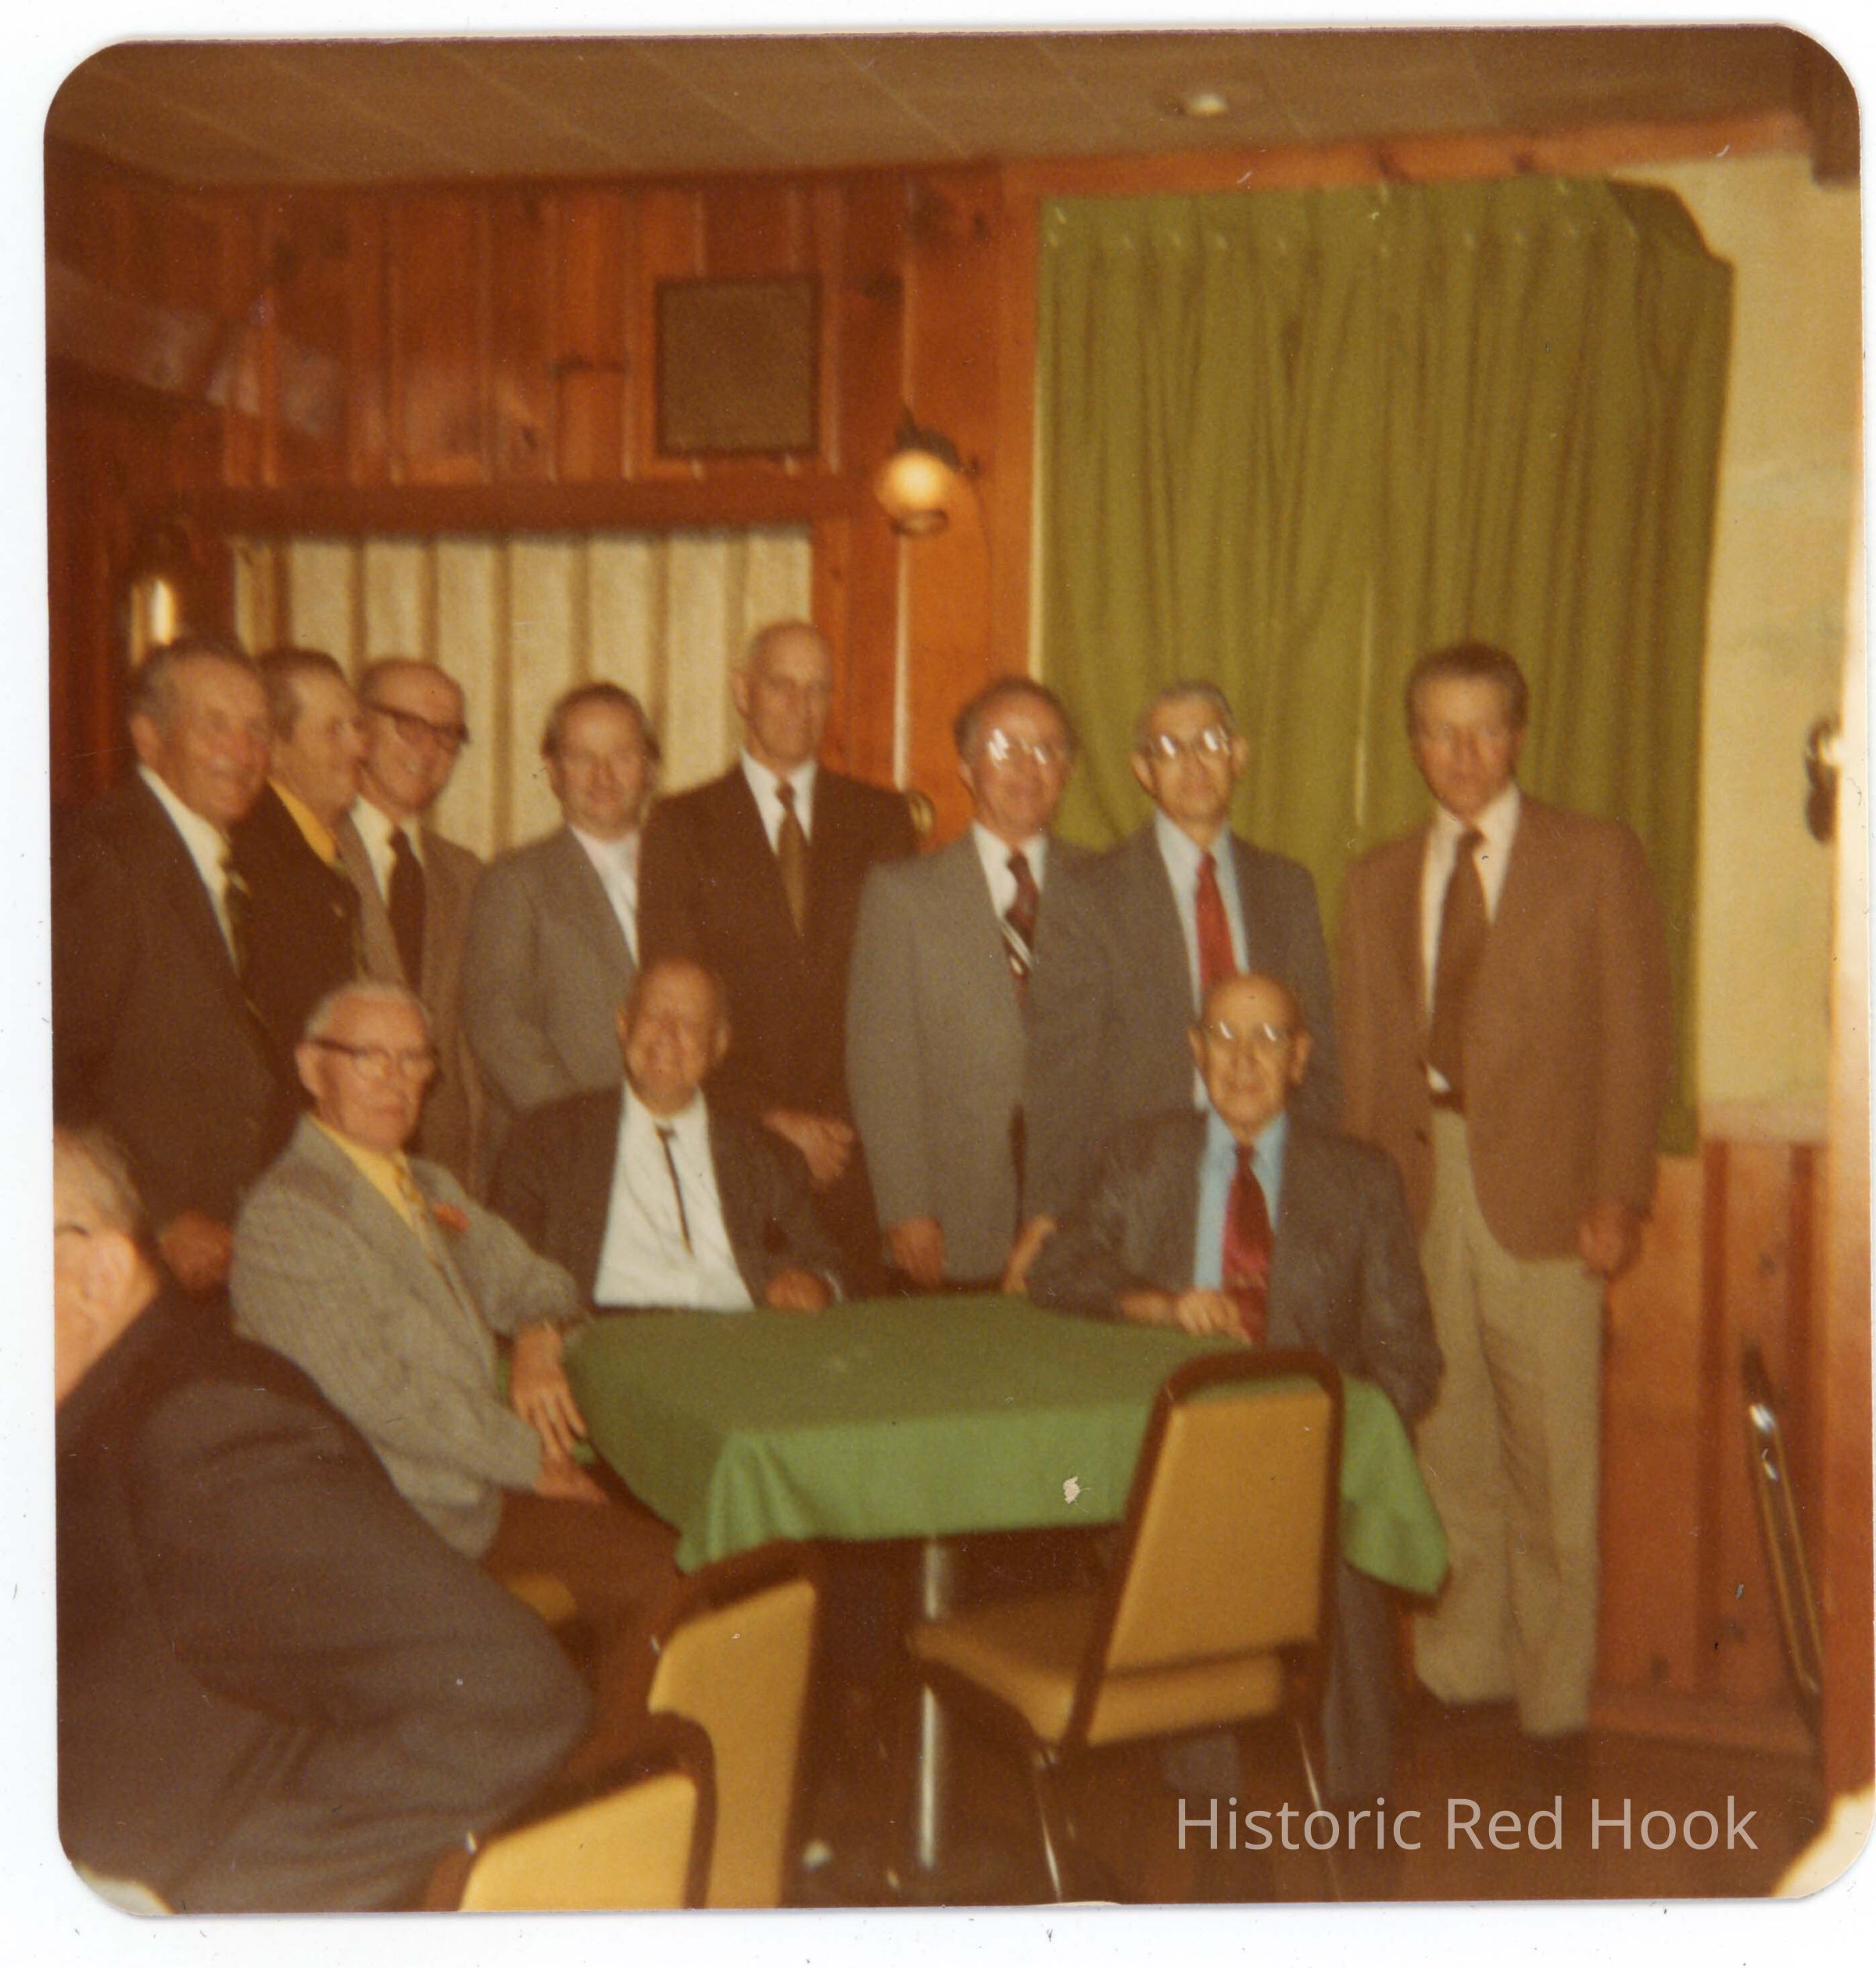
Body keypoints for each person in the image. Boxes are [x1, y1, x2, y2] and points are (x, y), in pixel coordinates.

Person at [55, 1124, 589, 1913]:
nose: (395, 1081)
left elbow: (509, 1699)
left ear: (98, 1275)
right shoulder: (116, 1402)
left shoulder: (196, 1436)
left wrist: (206, 1910)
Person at [1336, 641, 1672, 1755]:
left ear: (1518, 734)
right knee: (1447, 1443)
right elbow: (1366, 1060)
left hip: (1549, 1194)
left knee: (1553, 1461)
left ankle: (1555, 1698)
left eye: (1484, 728)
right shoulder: (1378, 879)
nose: (1464, 753)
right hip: (1420, 1189)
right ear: (1414, 743)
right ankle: (1461, 1668)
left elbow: (1636, 1037)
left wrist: (1619, 1192)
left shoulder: (1594, 856)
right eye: (1440, 730)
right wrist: (1367, 1221)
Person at [229, 980, 684, 1768]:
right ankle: (600, 1796)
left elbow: (543, 1283)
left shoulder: (429, 1188)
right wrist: (530, 1461)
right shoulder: (289, 1217)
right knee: (650, 1584)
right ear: (310, 1068)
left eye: (414, 1060)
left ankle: (619, 1786)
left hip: (468, 1489)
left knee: (675, 1565)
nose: (397, 1081)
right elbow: (382, 1398)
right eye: (369, 1058)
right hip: (386, 1518)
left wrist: (538, 1338)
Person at [1028, 971, 1441, 1799]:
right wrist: (1158, 1304)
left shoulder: (1361, 1180)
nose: (1243, 1059)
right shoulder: (1141, 1158)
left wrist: (1321, 1445)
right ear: (1195, 1050)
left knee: (1348, 1552)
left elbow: (1409, 1359)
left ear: (1300, 1059)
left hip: (1306, 1463)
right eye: (1223, 1036)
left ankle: (1359, 1809)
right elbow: (1055, 1271)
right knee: (1178, 1543)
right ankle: (1210, 1814)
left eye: (1267, 1038)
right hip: (1169, 1465)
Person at [1015, 681, 1338, 1283]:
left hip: (1268, 1187)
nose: (1192, 763)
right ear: (1143, 771)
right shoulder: (1089, 895)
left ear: (1238, 756)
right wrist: (1048, 1212)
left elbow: (1316, 1057)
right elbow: (1060, 1077)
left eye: (1210, 743)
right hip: (1139, 1194)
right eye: (1168, 748)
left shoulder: (1287, 889)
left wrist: (1316, 1194)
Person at [638, 619, 916, 1281]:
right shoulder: (681, 824)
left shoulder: (882, 820)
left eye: (818, 688)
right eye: (781, 685)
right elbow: (679, 1002)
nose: (801, 705)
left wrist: (842, 1130)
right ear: (743, 691)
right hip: (735, 1145)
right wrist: (768, 1121)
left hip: (858, 1156)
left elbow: (898, 1001)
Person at [52, 635, 294, 1296]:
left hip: (235, 1238)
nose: (243, 751)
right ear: (149, 737)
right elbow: (55, 1068)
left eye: (257, 730)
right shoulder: (103, 858)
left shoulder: (232, 861)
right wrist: (155, 1213)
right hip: (145, 1246)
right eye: (215, 725)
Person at [847, 677, 1090, 1288]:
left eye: (1048, 750)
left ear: (1067, 771)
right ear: (966, 766)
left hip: (1076, 1212)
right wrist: (904, 1207)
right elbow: (881, 1065)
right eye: (1006, 748)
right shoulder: (903, 895)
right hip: (951, 1215)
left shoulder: (1103, 887)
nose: (1028, 767)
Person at [492, 957, 843, 1311]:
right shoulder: (547, 1141)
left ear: (719, 1044)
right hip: (611, 1333)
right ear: (623, 1023)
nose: (668, 1034)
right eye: (653, 1014)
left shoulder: (764, 1154)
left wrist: (818, 1285)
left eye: (690, 1022)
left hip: (737, 1330)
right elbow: (505, 1267)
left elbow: (825, 1262)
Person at [463, 682, 656, 1170]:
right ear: (552, 772)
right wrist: (592, 1136)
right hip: (560, 1155)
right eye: (581, 757)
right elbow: (500, 1029)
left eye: (621, 756)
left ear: (649, 768)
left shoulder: (688, 874)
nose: (603, 775)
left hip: (673, 1148)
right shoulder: (515, 881)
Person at [335, 656, 483, 1185]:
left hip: (442, 1168)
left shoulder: (466, 874)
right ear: (361, 727)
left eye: (447, 734)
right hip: (339, 1155)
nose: (429, 749)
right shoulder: (316, 851)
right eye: (409, 725)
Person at [231, 646, 367, 1069]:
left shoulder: (317, 847)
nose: (359, 747)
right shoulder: (254, 857)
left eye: (358, 727)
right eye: (334, 731)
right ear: (275, 749)